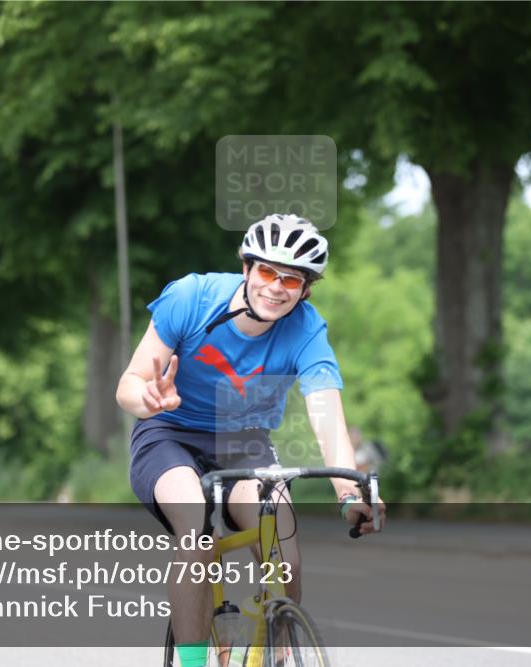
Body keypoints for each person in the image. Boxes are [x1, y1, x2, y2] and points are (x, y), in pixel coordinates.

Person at [115, 214, 386, 667]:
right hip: (168, 434)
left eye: (292, 279)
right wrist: (146, 397)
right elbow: (129, 383)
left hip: (245, 441)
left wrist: (348, 491)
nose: (276, 287)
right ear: (245, 268)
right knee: (196, 526)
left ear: (305, 290)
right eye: (266, 271)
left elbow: (325, 412)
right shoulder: (192, 298)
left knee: (285, 552)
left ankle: (279, 650)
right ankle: (194, 663)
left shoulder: (306, 329)